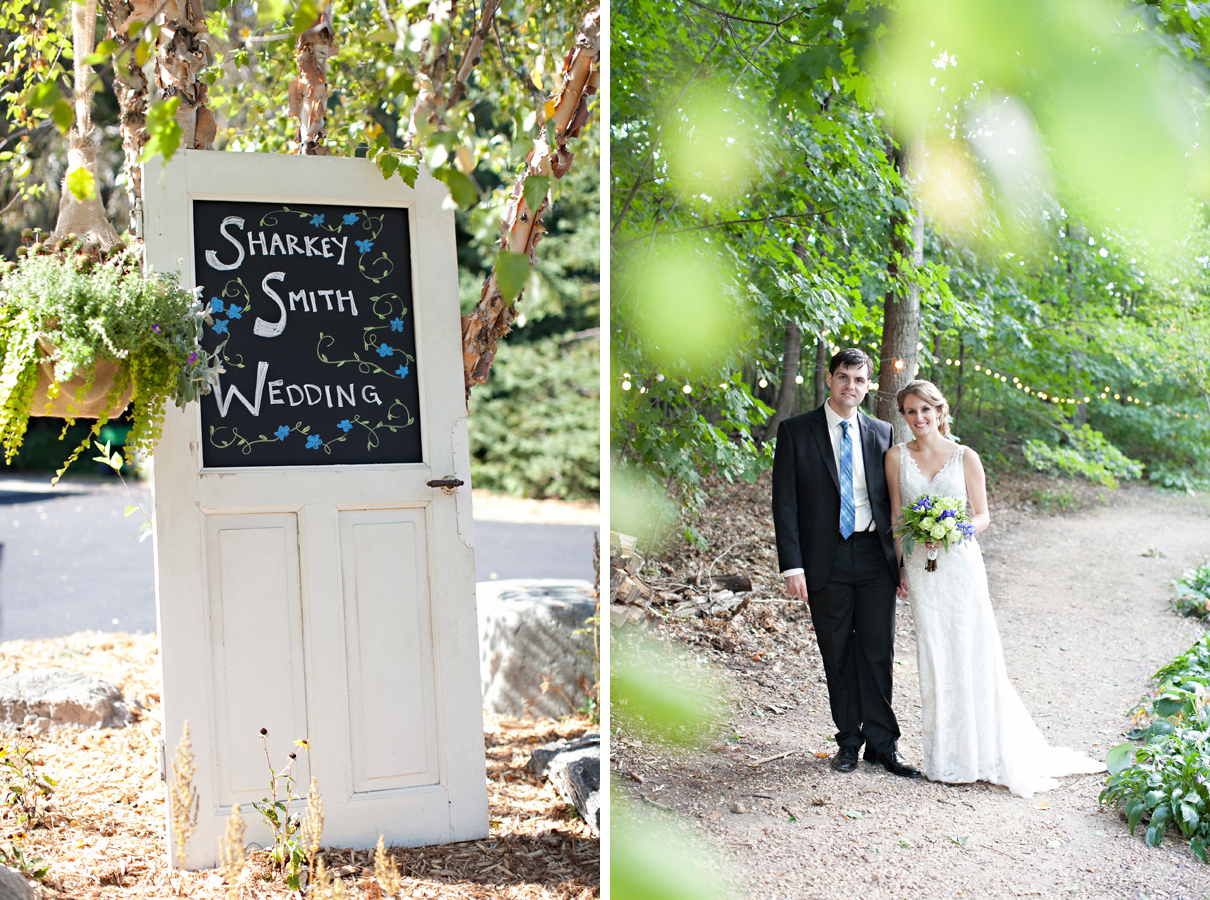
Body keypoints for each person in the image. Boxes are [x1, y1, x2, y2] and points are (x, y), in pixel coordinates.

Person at [885, 379, 1106, 797]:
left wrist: (956, 528)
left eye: (924, 411)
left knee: (972, 649)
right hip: (920, 567)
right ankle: (947, 757)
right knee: (934, 652)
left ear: (940, 411)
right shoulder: (895, 458)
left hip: (961, 564)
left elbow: (983, 515)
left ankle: (984, 754)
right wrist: (899, 565)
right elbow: (897, 517)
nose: (918, 419)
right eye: (910, 412)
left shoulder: (965, 456)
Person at [772, 348, 920, 778]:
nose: (850, 387)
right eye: (843, 377)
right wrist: (792, 566)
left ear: (868, 385)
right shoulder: (796, 431)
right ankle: (849, 742)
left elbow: (894, 500)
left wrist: (904, 561)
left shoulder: (881, 432)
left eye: (859, 380)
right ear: (829, 378)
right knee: (836, 653)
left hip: (875, 555)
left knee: (878, 651)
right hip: (825, 558)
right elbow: (785, 504)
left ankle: (883, 744)